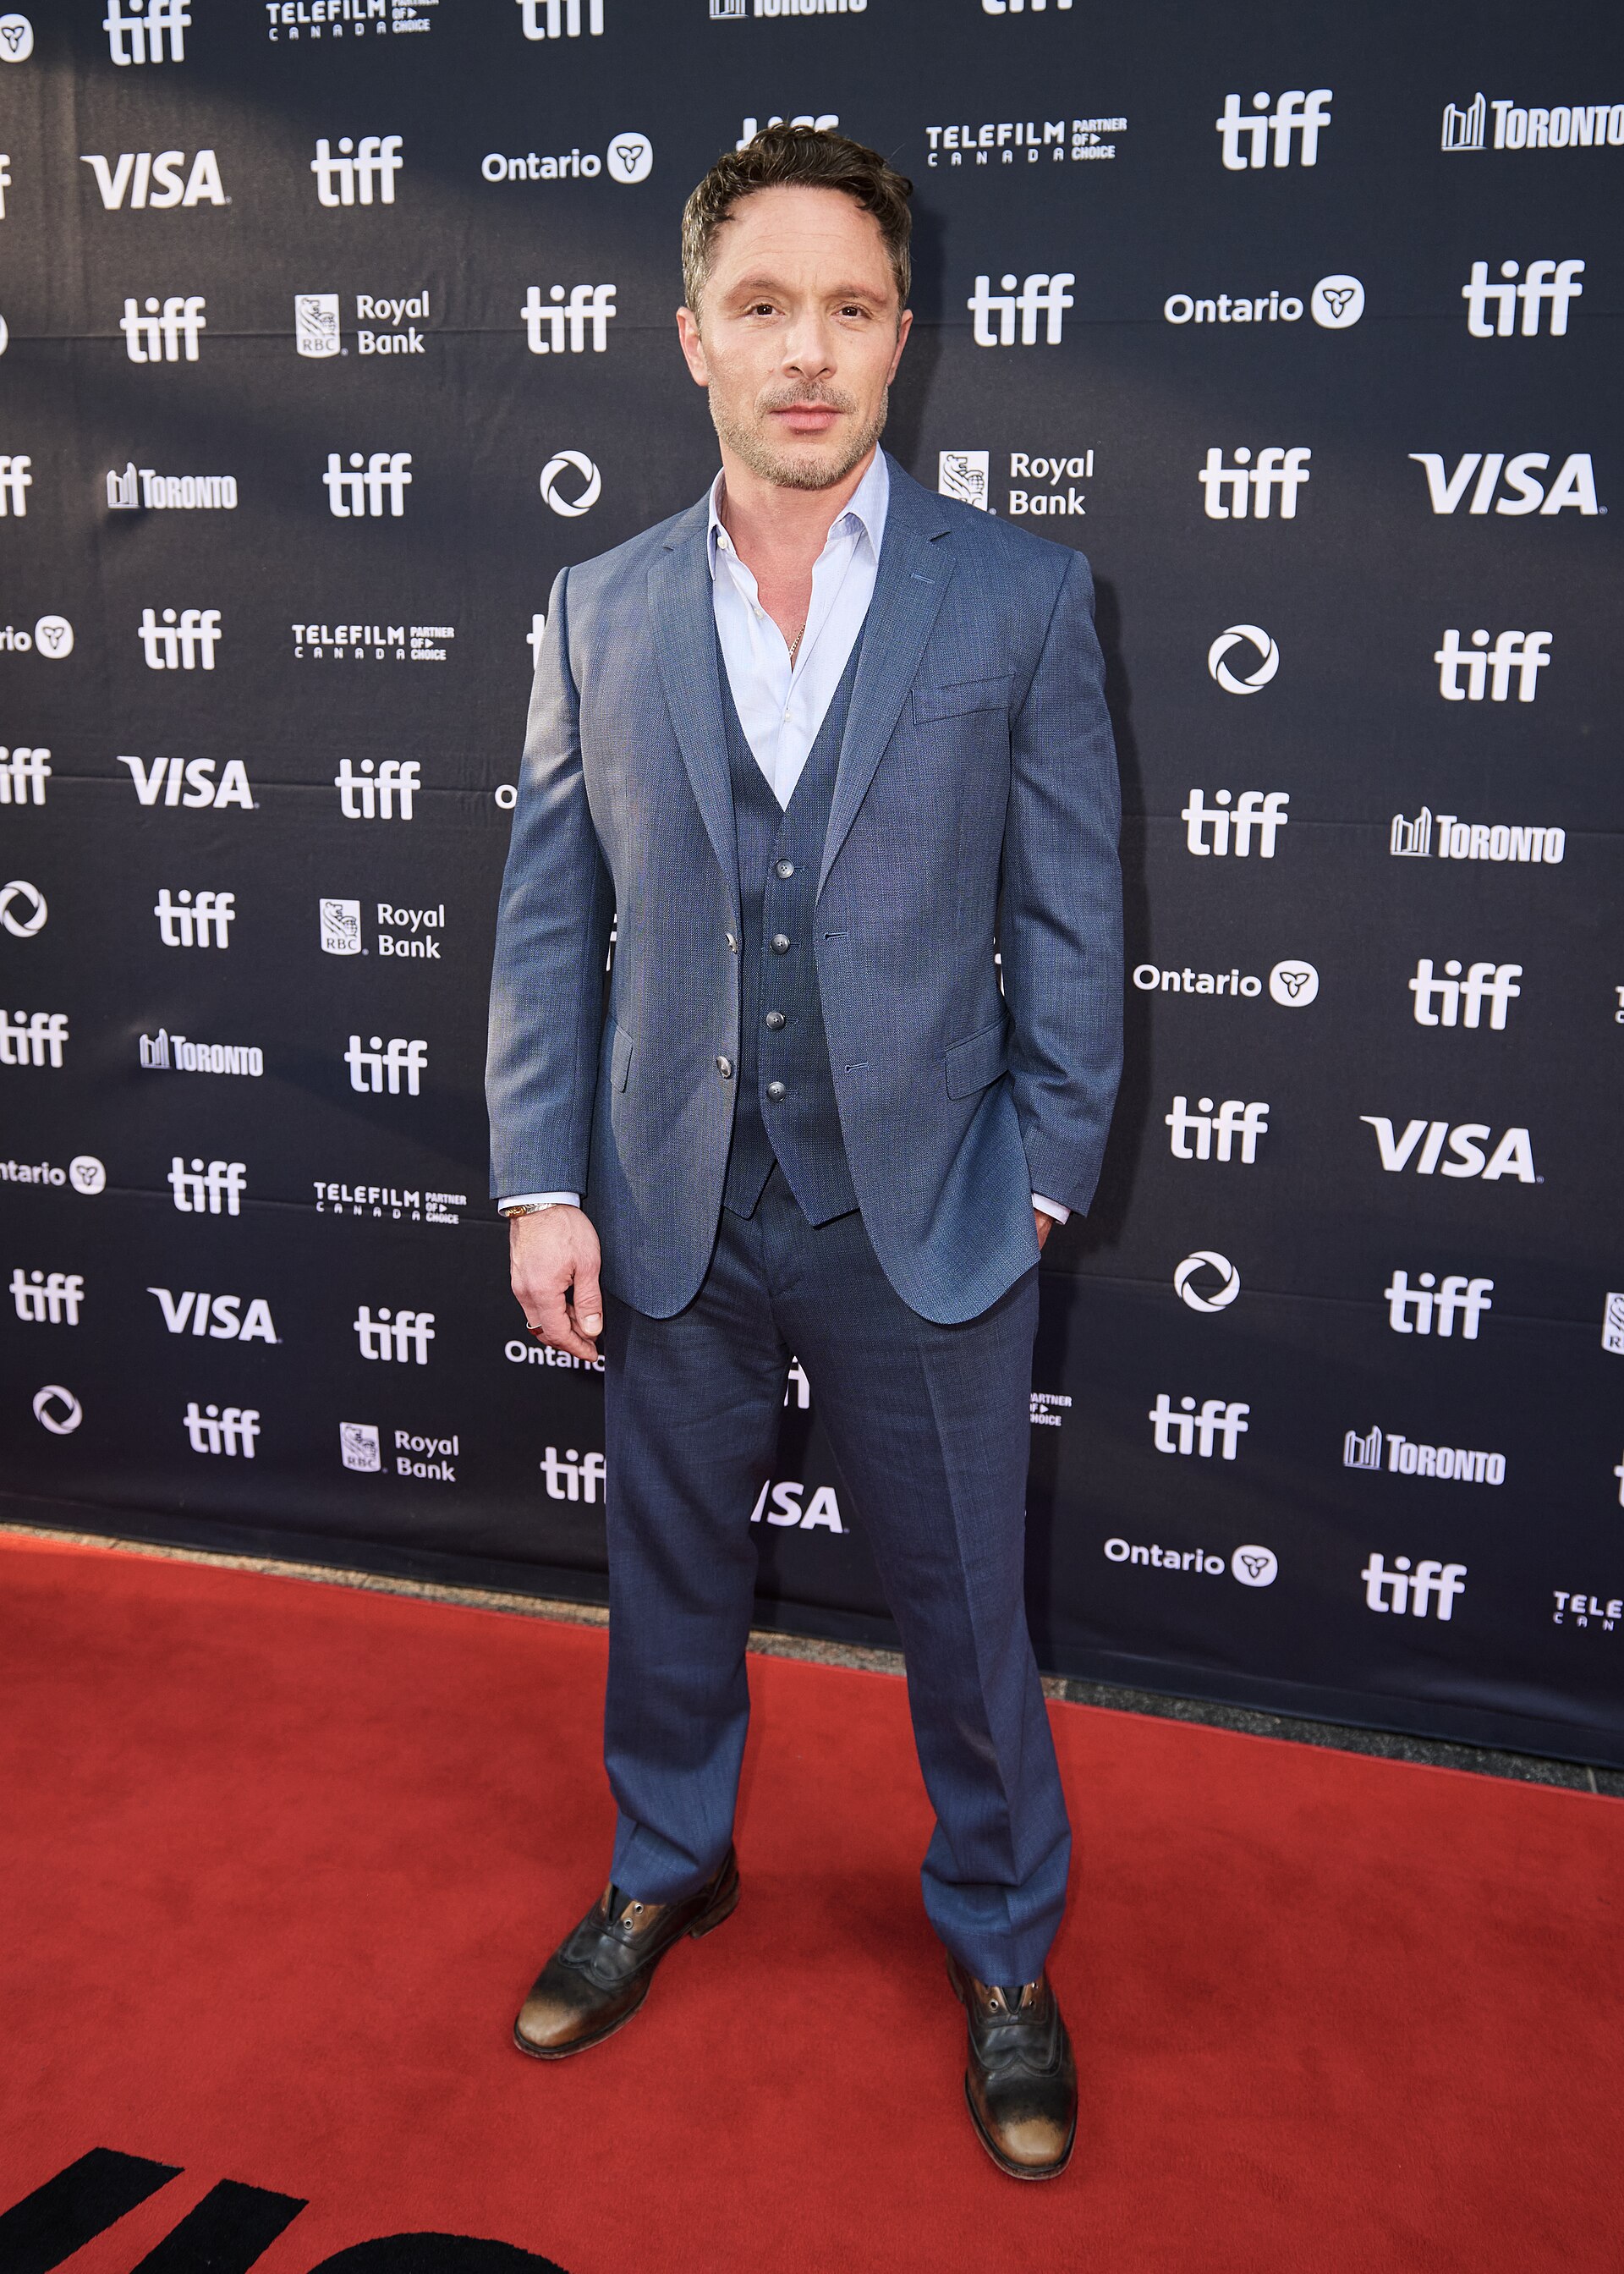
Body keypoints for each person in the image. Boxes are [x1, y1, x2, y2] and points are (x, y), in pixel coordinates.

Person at [486, 125, 1122, 2182]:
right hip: (669, 1192)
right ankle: (666, 1861)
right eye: (761, 306)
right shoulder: (594, 606)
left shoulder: (1020, 596)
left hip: (927, 1210)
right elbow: (548, 920)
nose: (807, 351)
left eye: (849, 307)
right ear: (692, 337)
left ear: (903, 335)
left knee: (967, 1612)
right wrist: (542, 1182)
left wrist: (1044, 1170)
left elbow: (1074, 915)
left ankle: (1003, 1948)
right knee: (667, 1579)